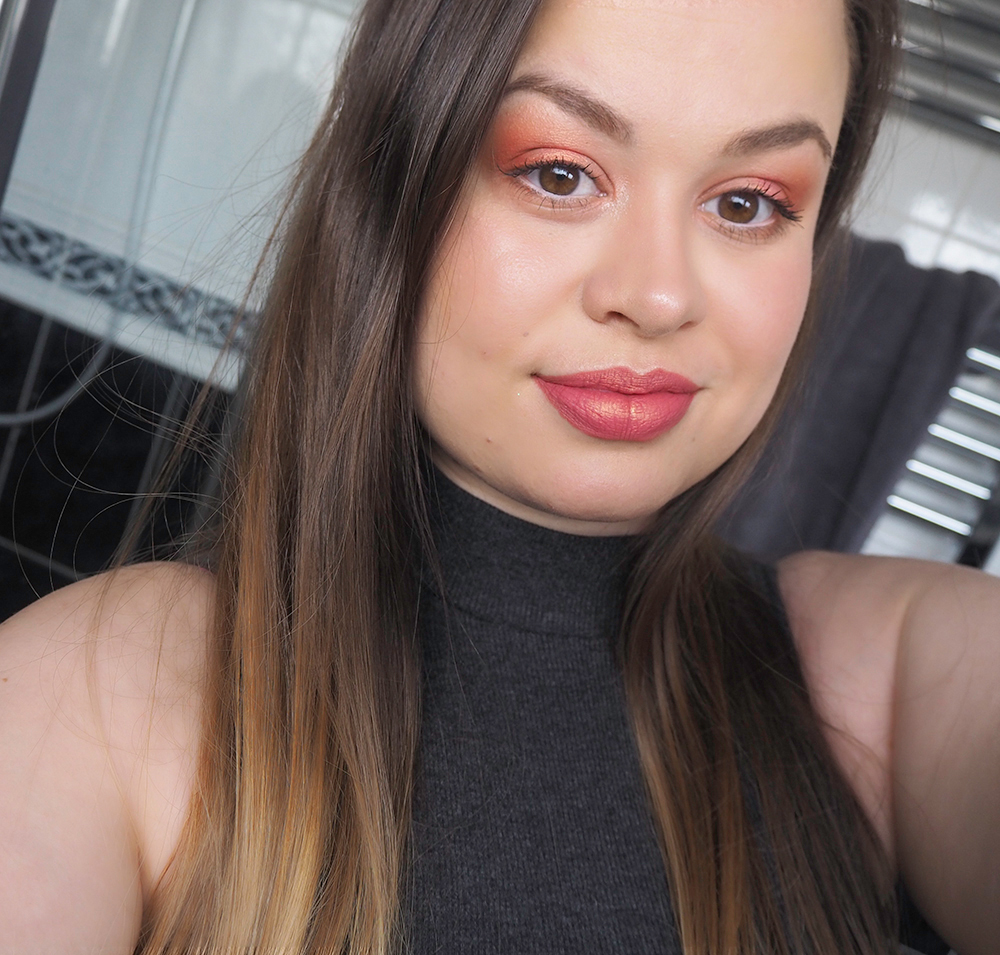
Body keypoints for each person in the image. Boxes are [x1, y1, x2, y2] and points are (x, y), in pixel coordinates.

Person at [0, 0, 997, 952]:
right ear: (392, 187)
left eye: (747, 204)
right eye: (559, 174)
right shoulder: (102, 695)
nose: (657, 295)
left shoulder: (875, 680)